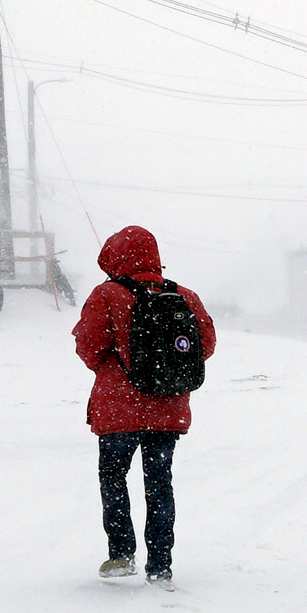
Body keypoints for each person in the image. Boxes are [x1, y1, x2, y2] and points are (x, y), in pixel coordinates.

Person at [71, 225, 215, 582]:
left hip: (118, 410)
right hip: (166, 408)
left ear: (115, 255)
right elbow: (204, 346)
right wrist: (166, 373)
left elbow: (88, 345)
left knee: (114, 478)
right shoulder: (185, 296)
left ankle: (121, 554)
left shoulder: (107, 295)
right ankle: (161, 563)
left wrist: (115, 372)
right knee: (159, 481)